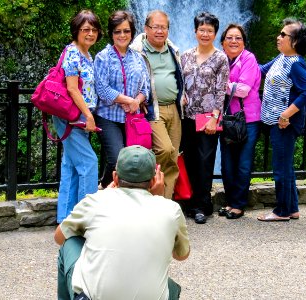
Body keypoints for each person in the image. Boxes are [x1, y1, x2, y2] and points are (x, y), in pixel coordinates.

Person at [54, 145, 190, 300]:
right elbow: (181, 255)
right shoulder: (171, 209)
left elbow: (59, 237)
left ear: (115, 177)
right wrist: (159, 198)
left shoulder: (96, 202)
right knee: (170, 287)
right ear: (154, 180)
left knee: (69, 241)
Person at [257, 18, 306, 222]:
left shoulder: (296, 64)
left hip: (284, 124)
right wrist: (240, 60)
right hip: (276, 121)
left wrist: (285, 115)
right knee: (286, 166)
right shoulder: (282, 58)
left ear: (296, 41)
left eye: (283, 35)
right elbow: (260, 71)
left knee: (280, 168)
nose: (278, 37)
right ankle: (293, 208)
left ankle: (281, 211)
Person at [180, 12, 229, 224]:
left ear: (215, 33)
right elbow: (180, 83)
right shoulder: (186, 56)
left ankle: (202, 205)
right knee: (189, 159)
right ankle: (189, 202)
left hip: (208, 118)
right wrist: (181, 95)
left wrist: (215, 118)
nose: (205, 33)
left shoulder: (220, 58)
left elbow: (221, 91)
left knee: (205, 162)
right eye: (202, 30)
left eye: (210, 30)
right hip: (187, 117)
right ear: (195, 31)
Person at [129, 10, 184, 199]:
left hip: (175, 109)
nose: (160, 31)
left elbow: (179, 77)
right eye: (156, 27)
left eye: (164, 27)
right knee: (165, 150)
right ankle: (147, 192)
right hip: (153, 109)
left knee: (173, 156)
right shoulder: (137, 51)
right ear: (146, 28)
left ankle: (164, 203)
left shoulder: (173, 50)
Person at [54, 10, 102, 223]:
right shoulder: (73, 52)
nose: (90, 33)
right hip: (72, 116)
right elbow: (73, 89)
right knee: (89, 162)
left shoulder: (86, 53)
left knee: (71, 166)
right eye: (85, 29)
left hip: (77, 116)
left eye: (93, 29)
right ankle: (86, 219)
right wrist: (88, 115)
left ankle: (65, 220)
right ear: (76, 31)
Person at [94, 10, 150, 189]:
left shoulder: (138, 57)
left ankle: (124, 198)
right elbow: (102, 89)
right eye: (117, 31)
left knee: (133, 162)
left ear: (132, 32)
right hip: (109, 116)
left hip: (133, 117)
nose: (122, 35)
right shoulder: (103, 57)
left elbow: (146, 88)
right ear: (111, 33)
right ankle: (104, 188)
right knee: (117, 158)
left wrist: (137, 101)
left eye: (126, 31)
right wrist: (129, 100)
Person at [217, 24, 262, 219]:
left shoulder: (249, 59)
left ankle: (239, 204)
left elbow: (243, 89)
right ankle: (230, 201)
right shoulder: (221, 58)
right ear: (222, 42)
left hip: (248, 119)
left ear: (244, 42)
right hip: (226, 120)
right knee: (228, 163)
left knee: (243, 163)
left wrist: (218, 84)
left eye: (238, 38)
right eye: (229, 38)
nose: (233, 41)